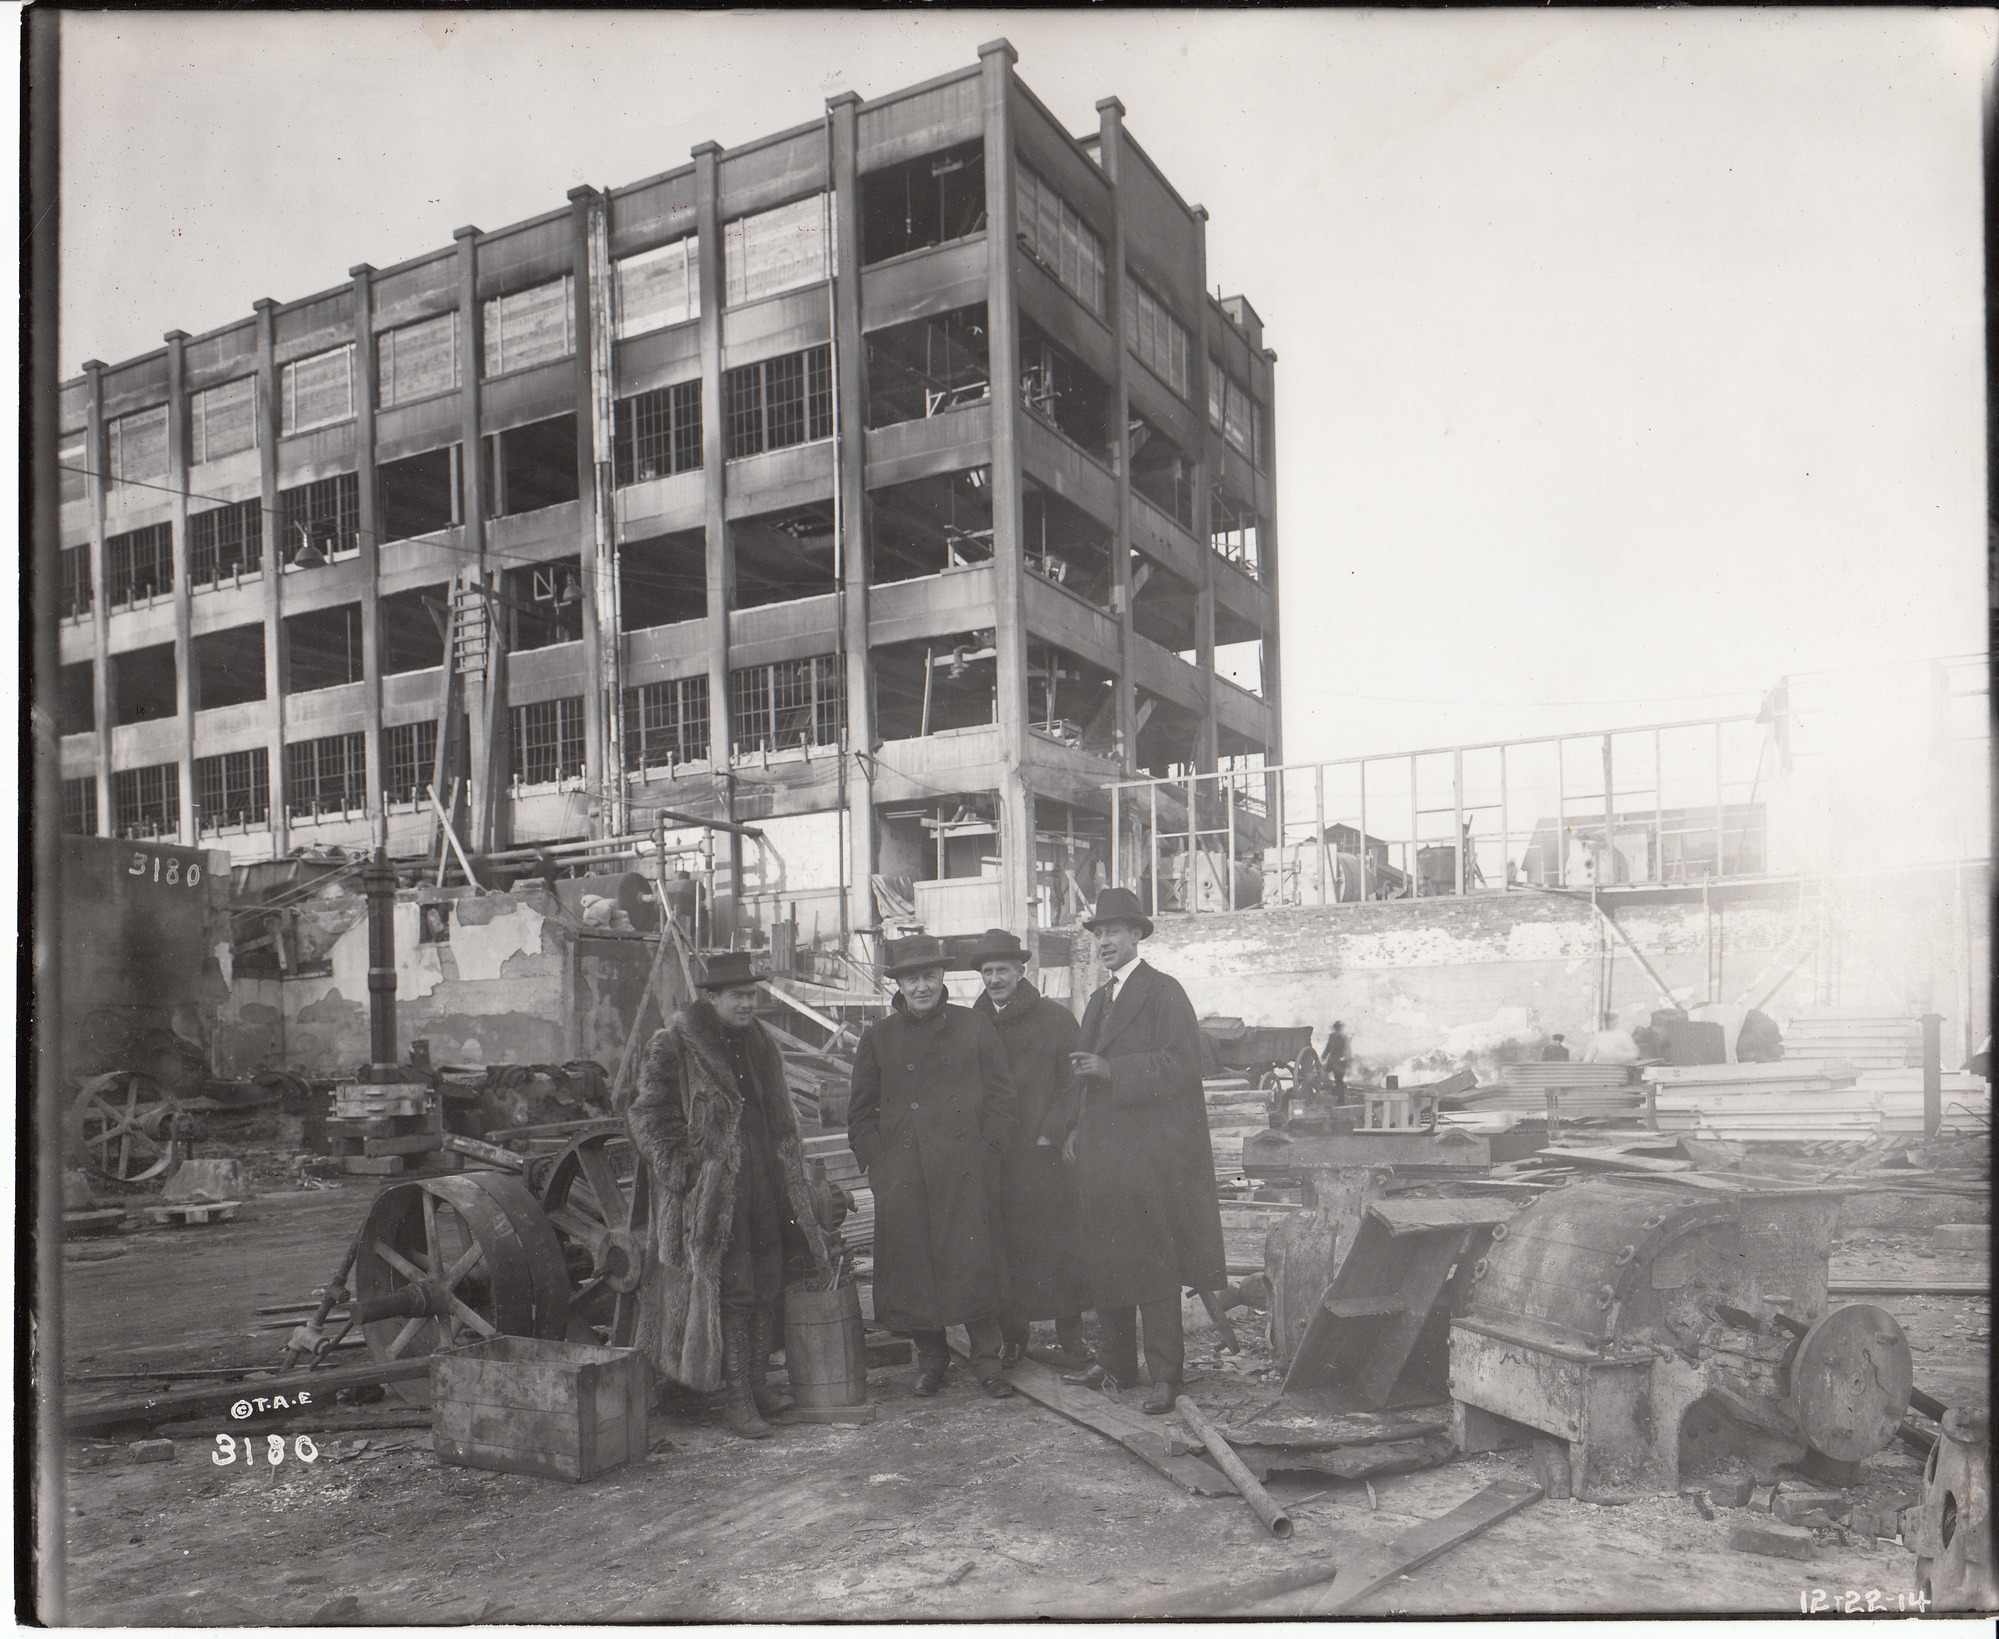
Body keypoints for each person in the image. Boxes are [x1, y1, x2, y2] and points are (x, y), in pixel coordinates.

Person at [623, 950, 833, 1440]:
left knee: (766, 1281)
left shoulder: (759, 1041)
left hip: (766, 1183)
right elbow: (645, 1116)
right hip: (714, 1194)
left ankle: (757, 1384)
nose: (747, 1004)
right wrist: (686, 1166)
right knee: (735, 1290)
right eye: (738, 996)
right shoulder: (674, 1044)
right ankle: (736, 1399)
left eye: (751, 995)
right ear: (711, 998)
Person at [1065, 889, 1228, 1415]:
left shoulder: (1163, 992)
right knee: (1108, 1258)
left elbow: (1183, 1065)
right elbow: (1080, 1074)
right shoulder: (1097, 1001)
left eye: (1114, 931)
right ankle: (1116, 1364)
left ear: (1137, 935)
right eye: (1098, 934)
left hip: (1151, 1157)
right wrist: (1074, 1129)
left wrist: (1114, 1071)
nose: (1104, 942)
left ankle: (1166, 1375)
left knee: (1155, 1264)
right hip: (1103, 1157)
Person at [847, 934, 1019, 1400]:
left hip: (966, 1170)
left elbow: (1003, 1099)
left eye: (928, 976)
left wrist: (989, 1152)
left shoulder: (974, 1026)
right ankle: (932, 1360)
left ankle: (987, 1362)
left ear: (942, 977)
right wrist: (877, 1164)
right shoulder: (878, 1038)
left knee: (974, 1266)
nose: (920, 986)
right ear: (898, 984)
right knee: (915, 1272)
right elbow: (860, 1112)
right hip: (905, 1174)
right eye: (910, 978)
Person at [967, 928, 1094, 1371]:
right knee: (1006, 1248)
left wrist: (1052, 1133)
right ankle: (1013, 1339)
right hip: (998, 1155)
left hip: (1043, 1155)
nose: (995, 978)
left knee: (1059, 1245)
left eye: (1003, 969)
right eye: (987, 971)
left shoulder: (1056, 1021)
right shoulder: (973, 1024)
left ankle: (1070, 1333)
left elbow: (1073, 1081)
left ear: (1022, 971)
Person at [1323, 1021, 1352, 1094]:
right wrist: (1322, 1058)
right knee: (1323, 1075)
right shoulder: (1332, 1036)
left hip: (1340, 1063)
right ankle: (1330, 1093)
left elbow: (1347, 1052)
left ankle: (1341, 1101)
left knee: (1339, 1082)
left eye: (1339, 1028)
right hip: (1331, 1061)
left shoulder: (1344, 1038)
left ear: (1341, 1029)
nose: (1338, 1030)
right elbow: (1328, 1048)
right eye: (1336, 1028)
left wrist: (1346, 1063)